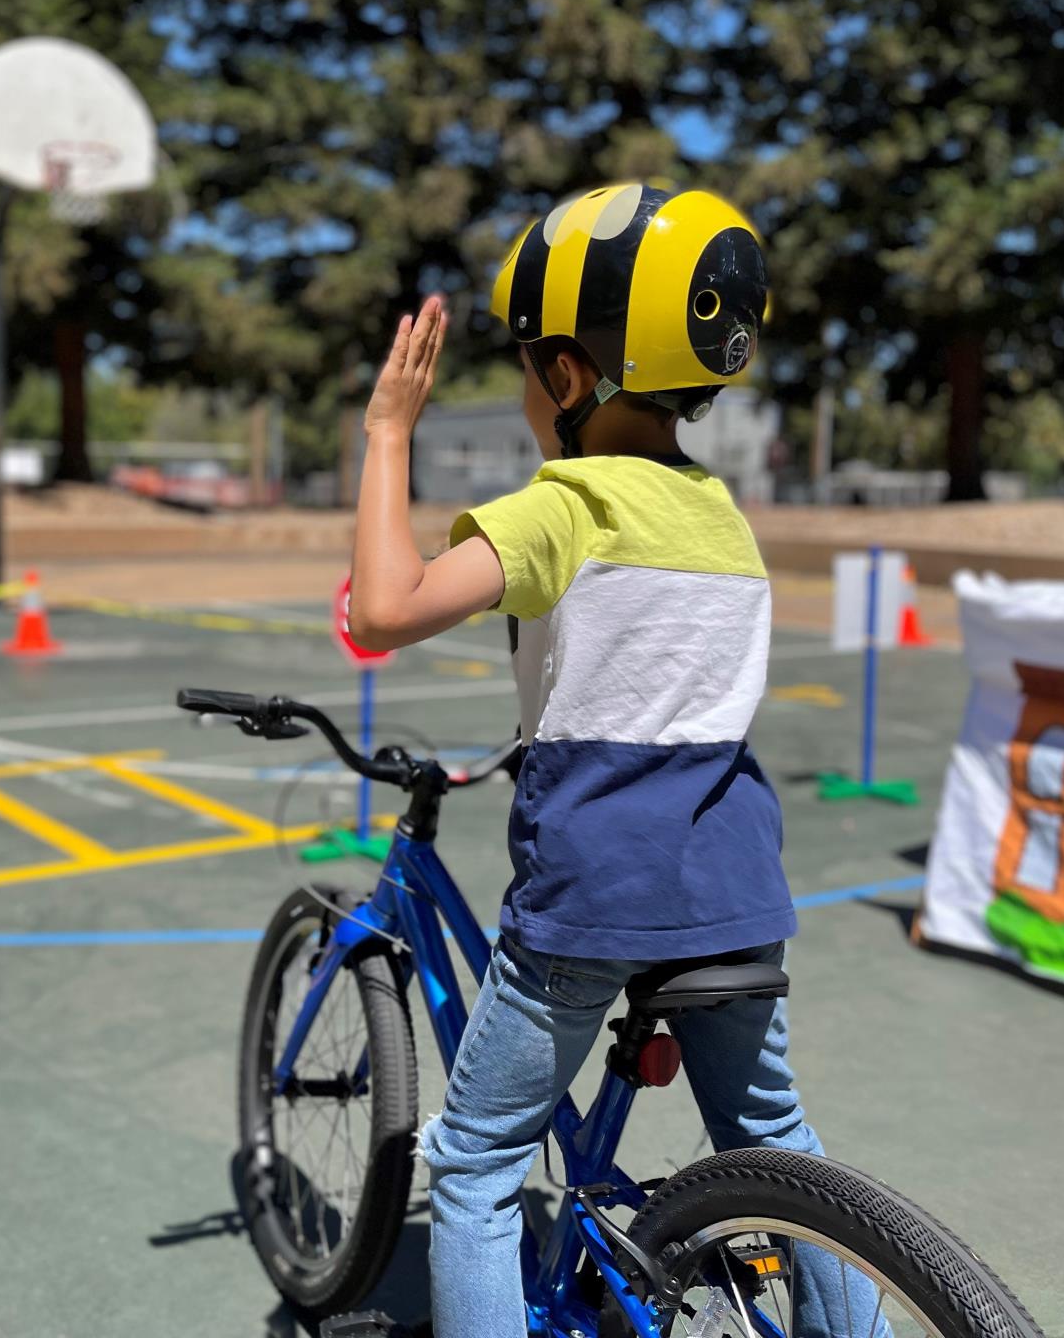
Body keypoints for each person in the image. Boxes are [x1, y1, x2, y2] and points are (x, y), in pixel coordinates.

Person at [347, 184, 859, 1338]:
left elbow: (383, 609)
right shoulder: (721, 513)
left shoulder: (564, 505)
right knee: (781, 1150)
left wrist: (387, 433)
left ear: (569, 379)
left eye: (531, 367)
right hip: (735, 882)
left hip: (595, 892)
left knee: (477, 1165)